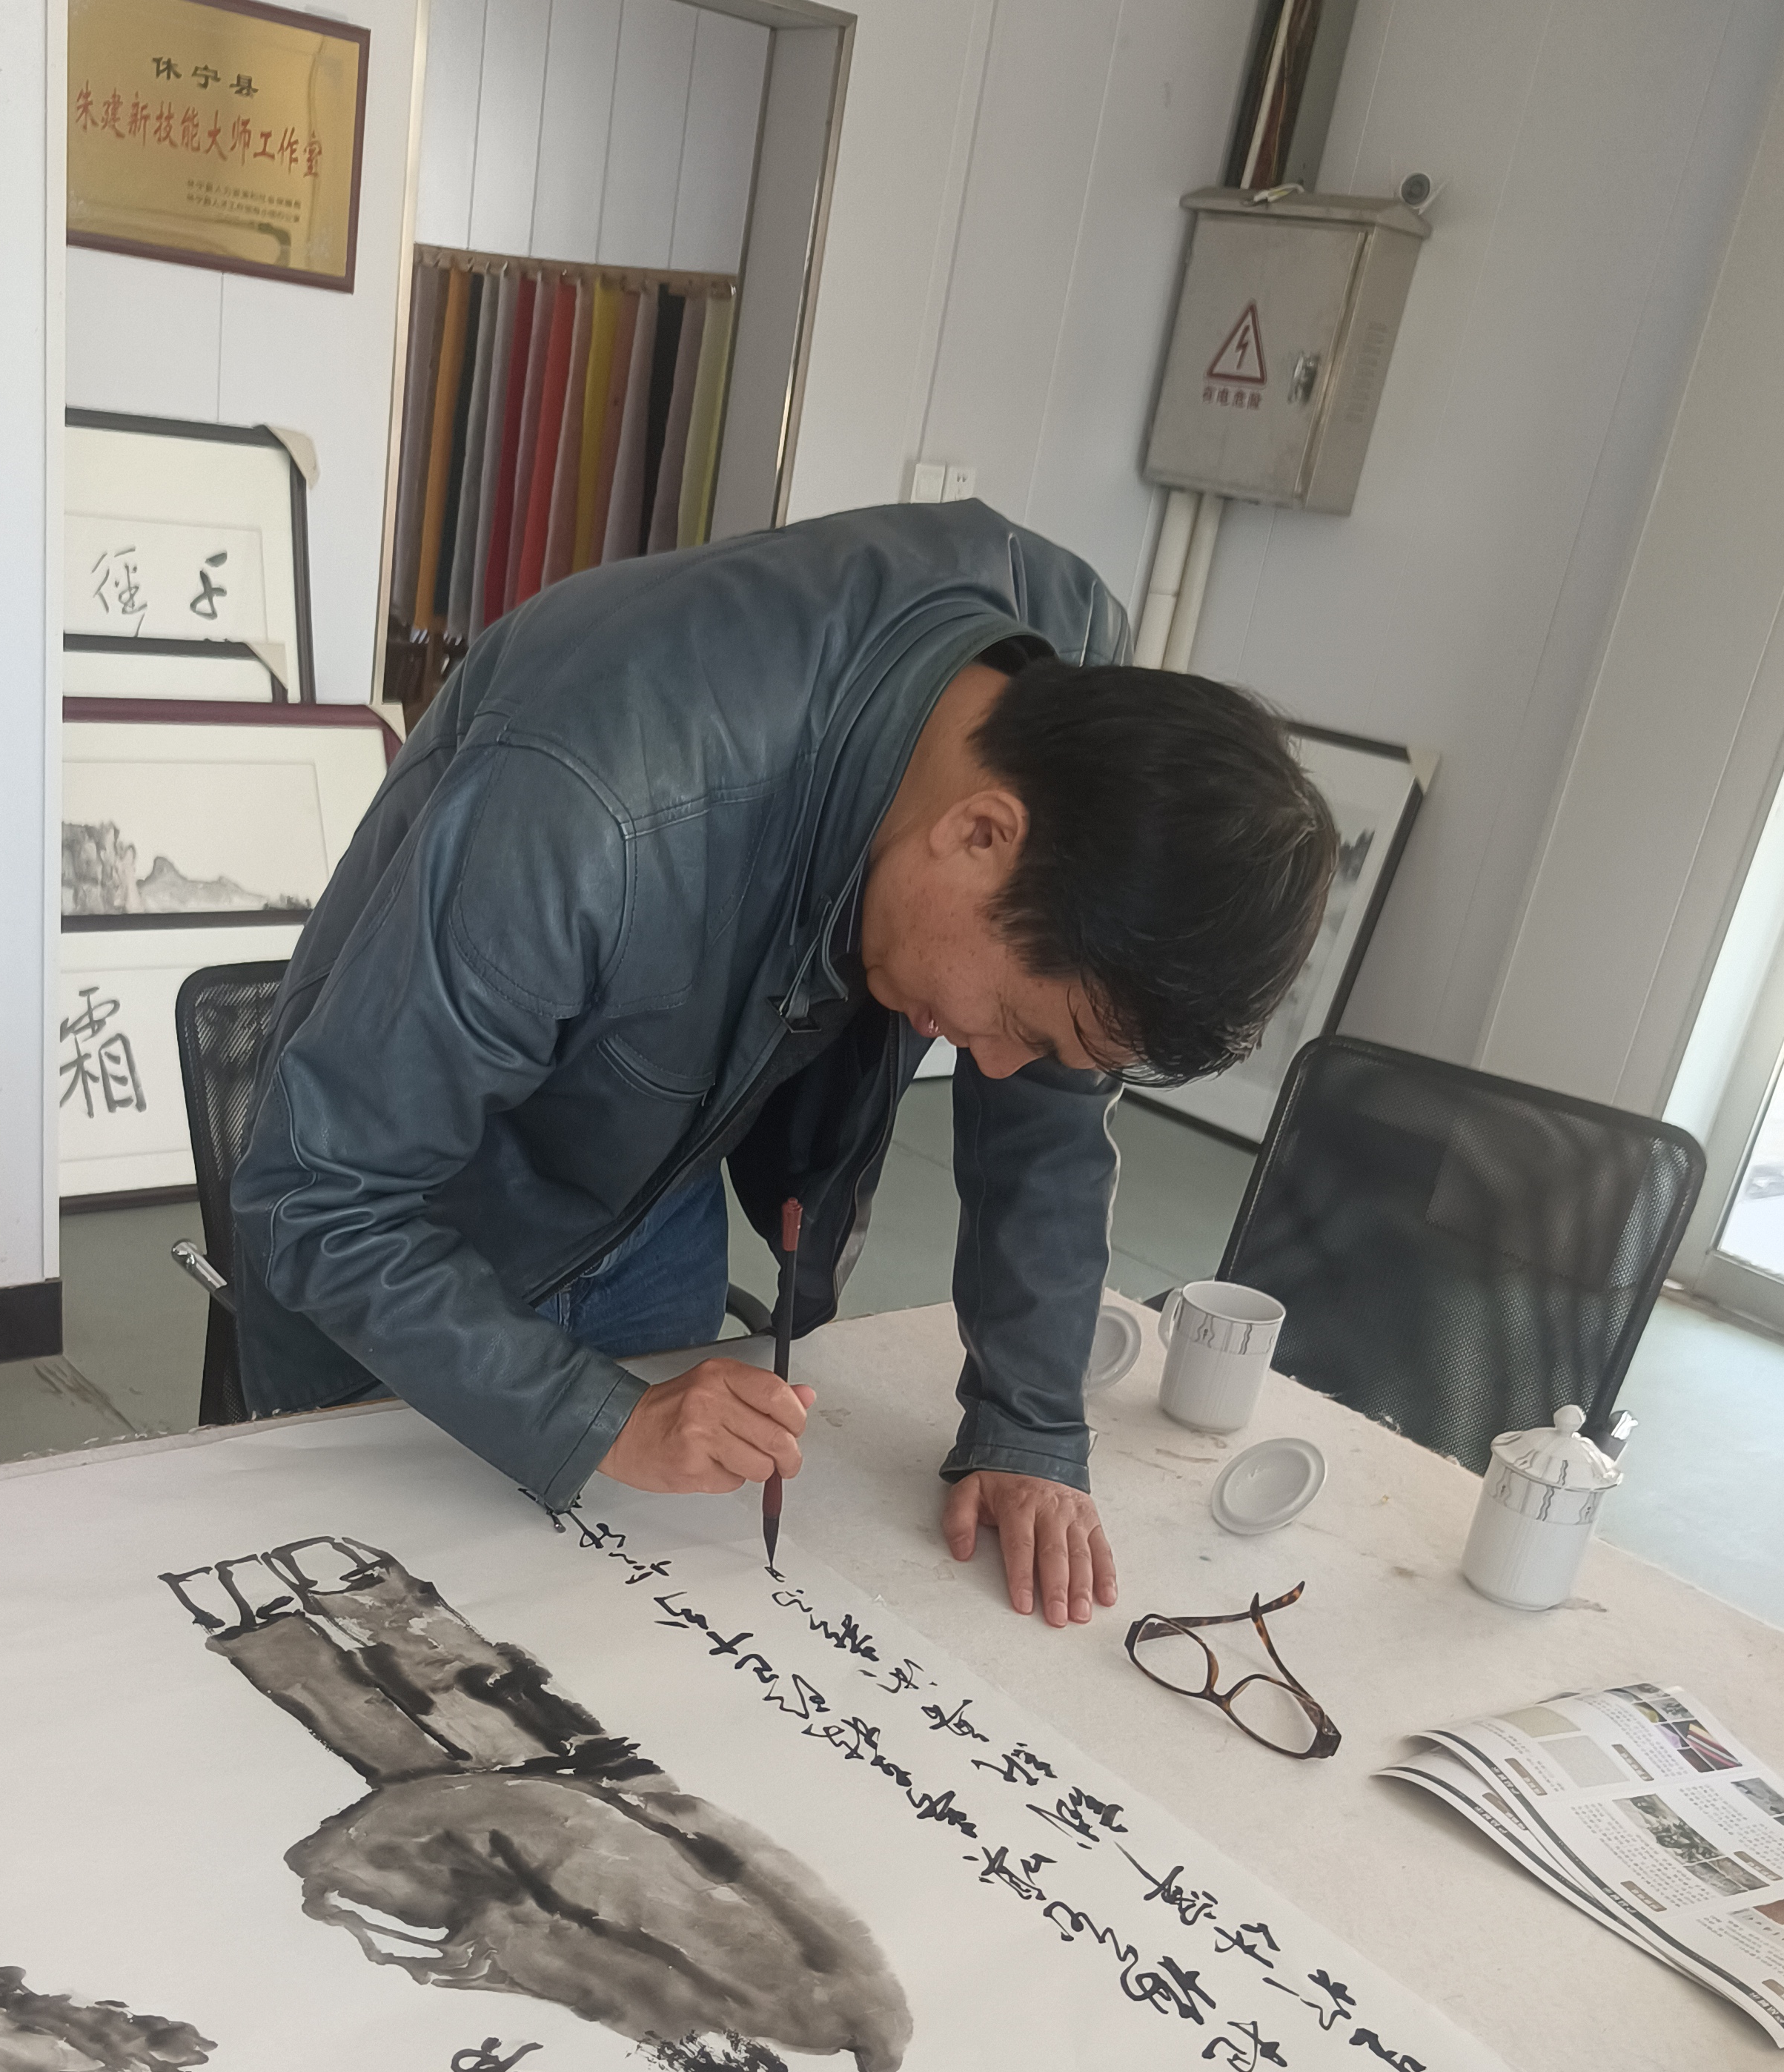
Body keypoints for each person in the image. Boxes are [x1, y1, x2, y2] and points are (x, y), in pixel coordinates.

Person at [233, 500, 1335, 1626]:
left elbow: (1049, 1105)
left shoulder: (1077, 713)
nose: (1003, 1069)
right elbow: (321, 1196)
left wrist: (1032, 1420)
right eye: (1016, 1022)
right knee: (370, 1625)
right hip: (409, 1229)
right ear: (979, 833)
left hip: (658, 1169)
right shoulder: (596, 804)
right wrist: (600, 1417)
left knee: (603, 1623)